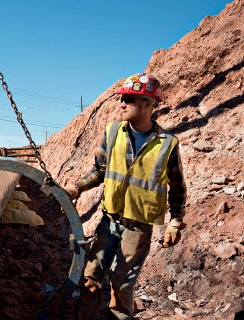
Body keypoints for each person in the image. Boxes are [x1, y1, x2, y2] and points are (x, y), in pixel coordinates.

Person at [65, 73, 187, 320]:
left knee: (121, 287)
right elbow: (100, 171)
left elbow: (178, 187)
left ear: (147, 103)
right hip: (108, 222)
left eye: (128, 99)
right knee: (90, 280)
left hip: (138, 229)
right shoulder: (112, 133)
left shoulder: (167, 144)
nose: (121, 104)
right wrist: (77, 187)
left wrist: (175, 220)